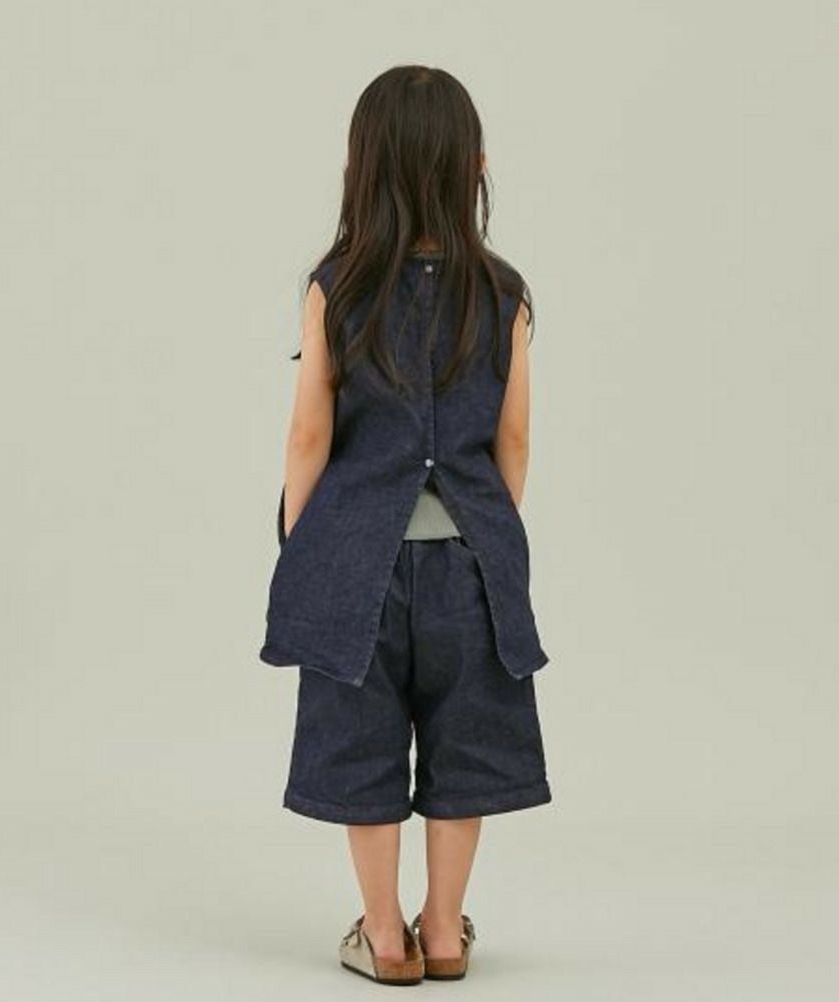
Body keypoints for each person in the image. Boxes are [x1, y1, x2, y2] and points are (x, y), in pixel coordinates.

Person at [258, 64, 552, 985]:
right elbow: (514, 440)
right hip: (469, 562)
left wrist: (306, 542)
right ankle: (448, 930)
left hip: (359, 565)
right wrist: (485, 533)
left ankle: (386, 937)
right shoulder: (502, 292)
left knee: (362, 743)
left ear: (363, 168)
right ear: (473, 167)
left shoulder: (337, 287)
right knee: (466, 744)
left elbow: (309, 434)